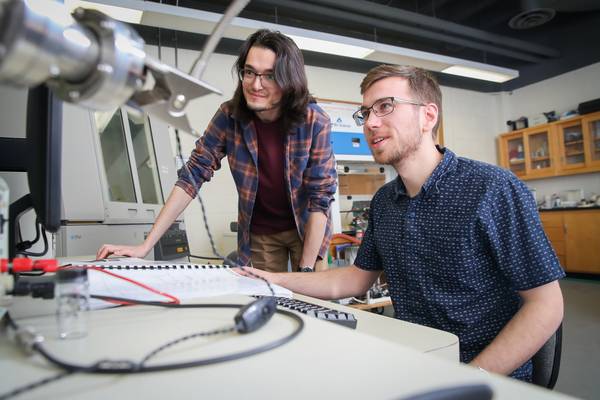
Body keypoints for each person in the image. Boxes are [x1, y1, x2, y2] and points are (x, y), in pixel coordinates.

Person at [239, 64, 565, 381]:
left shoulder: (492, 188)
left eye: (385, 107)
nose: (370, 122)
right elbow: (352, 281)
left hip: (486, 377)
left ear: (428, 116)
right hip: (417, 362)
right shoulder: (384, 202)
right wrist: (270, 279)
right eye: (365, 113)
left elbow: (547, 307)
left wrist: (469, 378)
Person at [96, 29, 337, 273]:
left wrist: (307, 271)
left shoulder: (314, 121)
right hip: (261, 233)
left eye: (269, 76)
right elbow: (192, 175)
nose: (256, 84)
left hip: (307, 227)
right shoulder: (229, 116)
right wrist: (145, 246)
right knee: (273, 301)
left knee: (310, 300)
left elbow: (320, 198)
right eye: (250, 72)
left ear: (289, 81)